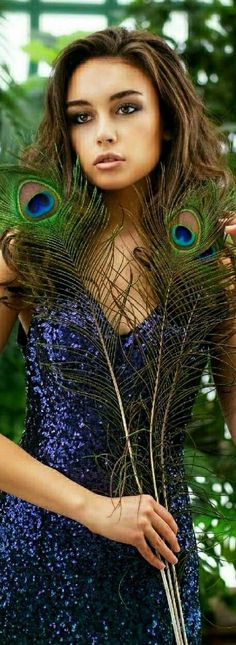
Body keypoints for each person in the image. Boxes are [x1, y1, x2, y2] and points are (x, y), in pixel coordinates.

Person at [0, 25, 235, 645]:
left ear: (168, 119)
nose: (103, 131)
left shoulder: (213, 263)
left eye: (126, 108)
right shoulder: (29, 253)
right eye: (82, 117)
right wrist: (96, 510)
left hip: (156, 557)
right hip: (40, 552)